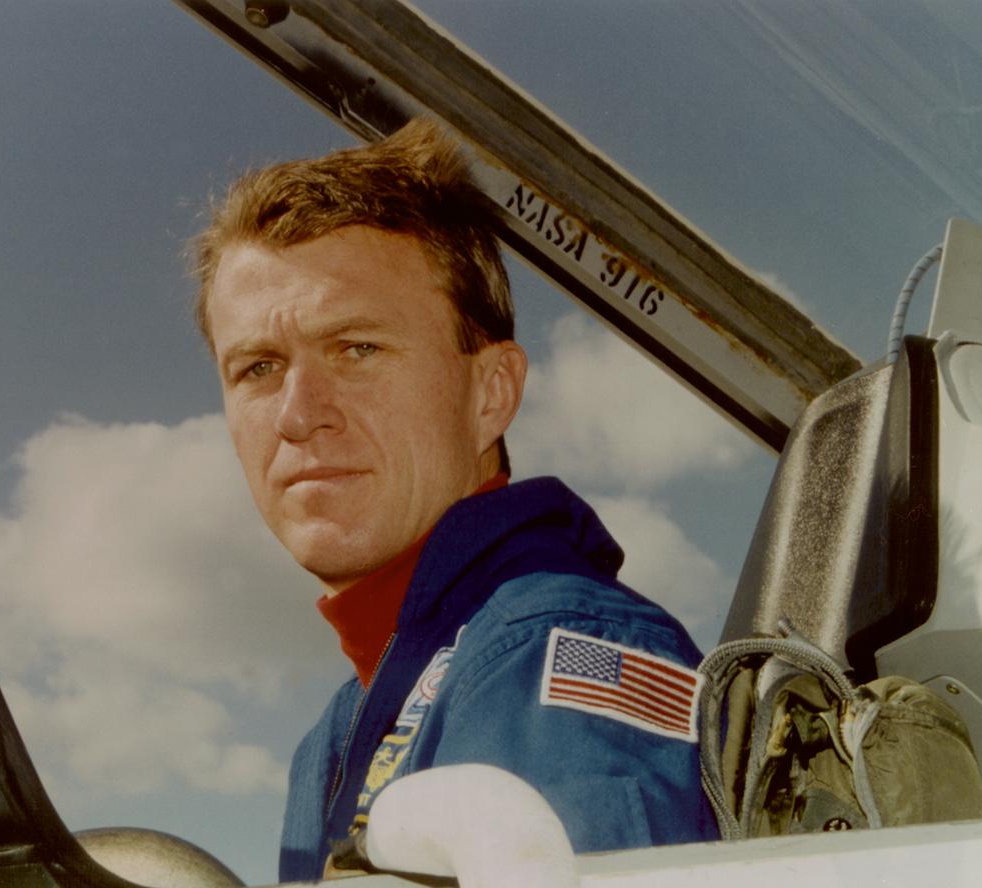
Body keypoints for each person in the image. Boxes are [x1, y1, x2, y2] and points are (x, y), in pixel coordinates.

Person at [192, 119, 717, 882]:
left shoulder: (548, 647)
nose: (299, 412)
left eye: (357, 349)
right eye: (259, 368)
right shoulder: (340, 730)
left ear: (490, 393)